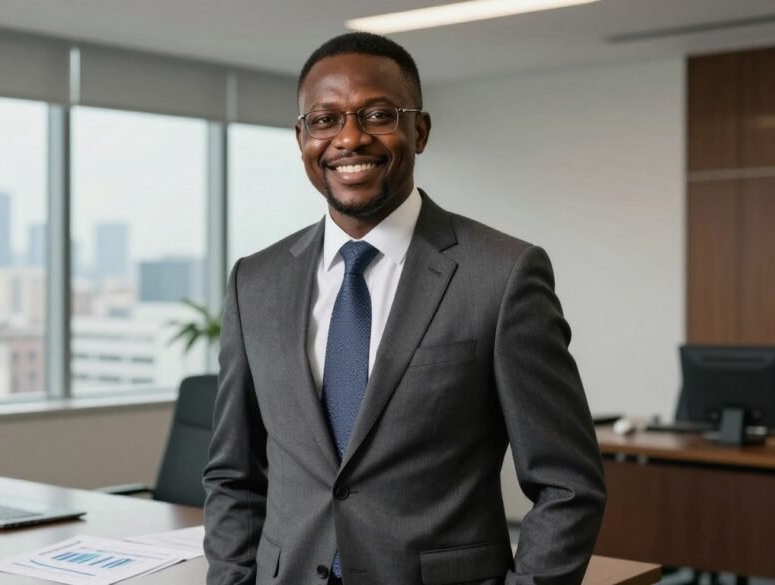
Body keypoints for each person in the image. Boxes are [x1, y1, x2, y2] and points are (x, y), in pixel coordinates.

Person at [203, 32, 606, 585]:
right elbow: (234, 474)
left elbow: (568, 485)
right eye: (324, 120)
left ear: (419, 130)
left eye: (377, 114)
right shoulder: (257, 280)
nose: (349, 138)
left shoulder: (503, 274)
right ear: (301, 138)